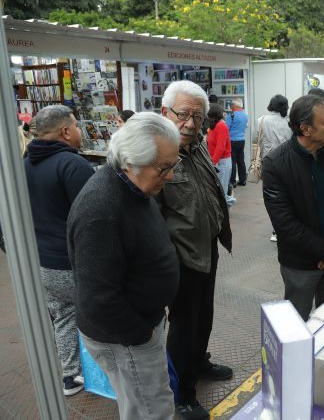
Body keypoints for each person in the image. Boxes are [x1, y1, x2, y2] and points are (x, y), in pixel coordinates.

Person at [67, 112, 181, 419]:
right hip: (126, 337)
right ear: (131, 161)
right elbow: (98, 300)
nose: (169, 175)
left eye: (173, 164)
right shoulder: (101, 209)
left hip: (137, 328)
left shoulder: (133, 185)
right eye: (164, 168)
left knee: (146, 402)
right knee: (151, 409)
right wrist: (141, 334)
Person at [158, 80, 233, 420]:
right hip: (180, 257)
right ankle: (182, 394)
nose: (190, 123)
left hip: (206, 249)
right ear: (165, 112)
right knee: (184, 326)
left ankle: (198, 363)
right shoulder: (156, 152)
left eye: (197, 117)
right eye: (183, 114)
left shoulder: (197, 145)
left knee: (203, 317)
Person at [23, 105, 94, 396]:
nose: (79, 131)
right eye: (76, 125)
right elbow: (93, 217)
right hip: (72, 261)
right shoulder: (72, 165)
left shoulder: (25, 162)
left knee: (64, 315)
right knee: (94, 315)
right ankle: (102, 373)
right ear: (66, 131)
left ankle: (71, 376)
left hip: (43, 261)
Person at [262, 95, 324, 321]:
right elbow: (285, 225)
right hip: (301, 264)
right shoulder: (276, 164)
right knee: (295, 324)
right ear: (305, 129)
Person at [258, 94, 292, 242]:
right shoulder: (289, 122)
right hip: (287, 162)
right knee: (288, 195)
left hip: (268, 163)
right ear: (284, 106)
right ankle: (287, 228)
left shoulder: (261, 120)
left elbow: (256, 139)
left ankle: (275, 230)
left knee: (271, 197)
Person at [207, 103, 236, 207]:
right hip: (217, 161)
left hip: (221, 162)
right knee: (218, 189)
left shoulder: (221, 125)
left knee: (221, 190)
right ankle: (225, 204)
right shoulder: (214, 126)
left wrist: (212, 163)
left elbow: (220, 147)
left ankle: (225, 208)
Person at [226, 98, 249, 188]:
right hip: (241, 140)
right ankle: (243, 180)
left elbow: (226, 128)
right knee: (241, 161)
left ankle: (232, 182)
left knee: (233, 161)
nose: (231, 107)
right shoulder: (245, 116)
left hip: (232, 140)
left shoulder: (231, 115)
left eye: (232, 105)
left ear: (235, 106)